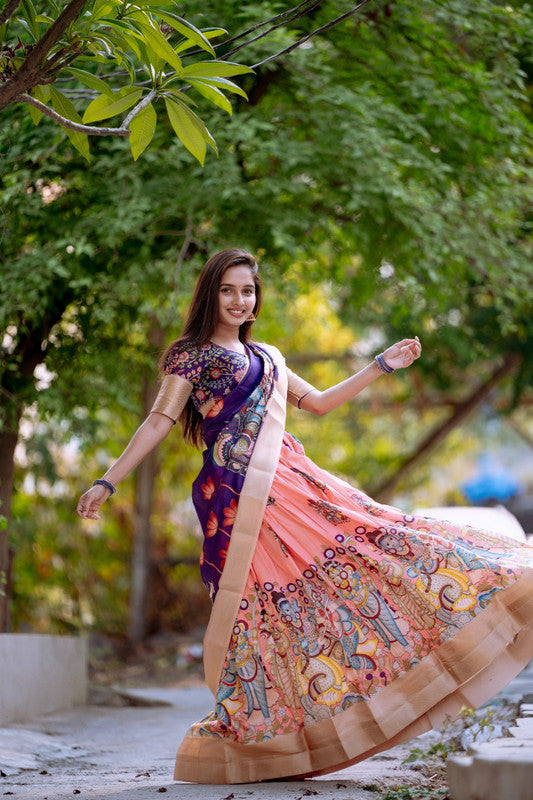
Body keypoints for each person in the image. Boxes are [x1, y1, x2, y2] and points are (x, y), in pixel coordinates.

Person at [77, 248, 533, 785]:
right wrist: (108, 479)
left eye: (247, 291)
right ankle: (261, 734)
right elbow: (157, 422)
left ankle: (499, 575)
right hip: (237, 495)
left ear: (255, 301)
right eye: (228, 290)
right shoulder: (190, 357)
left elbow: (317, 403)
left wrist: (380, 365)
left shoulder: (269, 358)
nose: (239, 300)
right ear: (210, 294)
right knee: (264, 609)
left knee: (376, 540)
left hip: (296, 486)